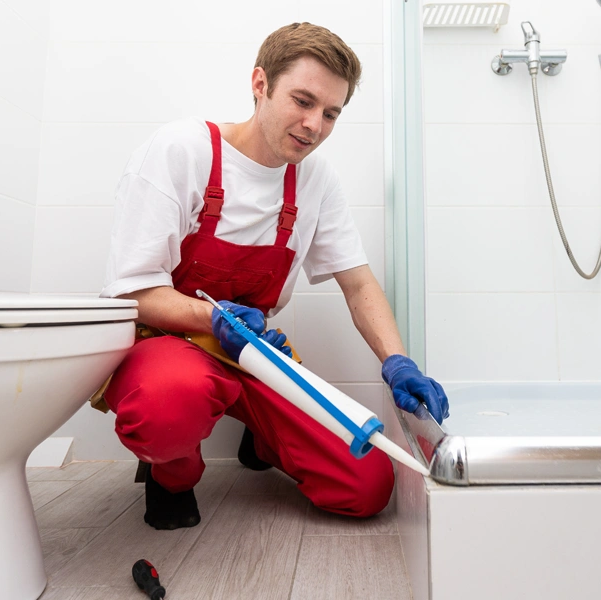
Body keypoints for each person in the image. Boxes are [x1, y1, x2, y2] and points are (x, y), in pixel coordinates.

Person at [99, 22, 450, 530]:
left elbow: (357, 283)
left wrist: (397, 362)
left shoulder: (315, 179)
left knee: (366, 483)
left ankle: (263, 435)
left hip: (253, 353)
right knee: (167, 407)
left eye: (331, 113)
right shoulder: (183, 150)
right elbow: (133, 290)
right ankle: (171, 476)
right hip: (171, 343)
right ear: (260, 84)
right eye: (302, 101)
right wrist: (211, 316)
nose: (314, 125)